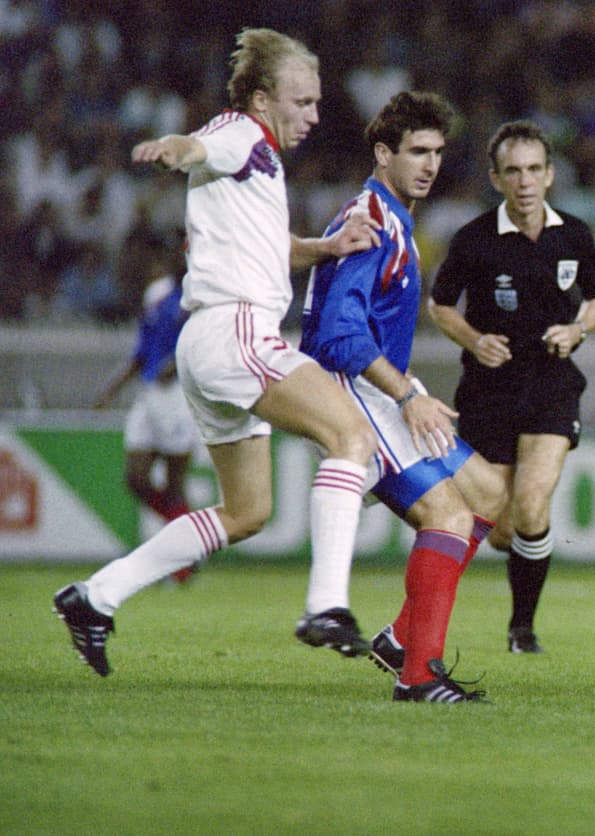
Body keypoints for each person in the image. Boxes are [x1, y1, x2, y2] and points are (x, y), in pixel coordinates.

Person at [53, 28, 382, 677]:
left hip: (210, 340)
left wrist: (327, 247)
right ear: (262, 99)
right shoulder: (240, 134)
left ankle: (95, 596)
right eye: (302, 101)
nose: (314, 115)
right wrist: (174, 148)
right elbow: (201, 146)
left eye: (317, 102)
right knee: (352, 436)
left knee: (246, 511)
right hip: (238, 333)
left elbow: (271, 248)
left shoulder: (259, 163)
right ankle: (326, 604)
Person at [301, 90, 507, 702]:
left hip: (382, 388)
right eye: (417, 151)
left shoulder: (396, 218)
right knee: (449, 515)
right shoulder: (370, 221)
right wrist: (407, 394)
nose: (430, 165)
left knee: (489, 492)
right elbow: (340, 334)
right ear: (383, 153)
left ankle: (401, 639)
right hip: (353, 391)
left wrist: (406, 389)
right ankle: (418, 676)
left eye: (437, 152)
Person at [428, 120, 595, 654]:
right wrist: (475, 339)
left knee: (532, 506)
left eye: (534, 169)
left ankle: (522, 628)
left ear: (550, 175)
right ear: (496, 178)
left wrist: (578, 329)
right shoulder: (474, 239)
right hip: (489, 390)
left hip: (552, 382)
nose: (525, 181)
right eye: (513, 171)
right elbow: (440, 305)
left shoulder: (573, 234)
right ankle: (514, 591)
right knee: (503, 528)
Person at [91, 243, 201, 584]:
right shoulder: (157, 294)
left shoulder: (204, 294)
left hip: (180, 395)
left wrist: (180, 364)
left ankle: (181, 564)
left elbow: (204, 343)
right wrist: (112, 388)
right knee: (135, 478)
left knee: (174, 484)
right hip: (150, 390)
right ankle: (188, 538)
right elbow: (143, 347)